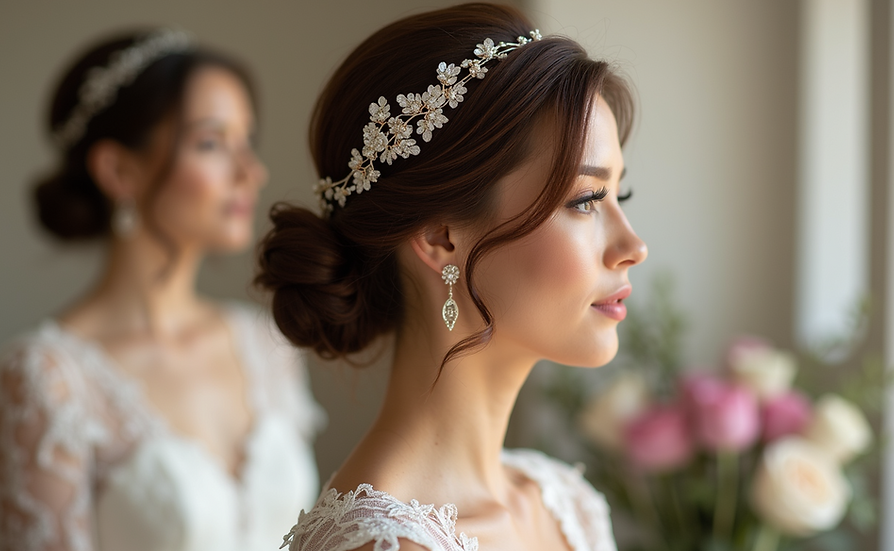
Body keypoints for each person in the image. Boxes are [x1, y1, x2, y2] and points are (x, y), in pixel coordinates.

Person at [256, 3, 648, 551]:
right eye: (585, 200)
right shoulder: (385, 546)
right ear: (441, 236)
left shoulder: (566, 505)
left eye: (619, 194)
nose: (634, 247)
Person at [0, 29, 323, 551]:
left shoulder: (265, 343)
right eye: (212, 143)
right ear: (119, 170)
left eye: (247, 142)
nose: (250, 172)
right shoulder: (49, 377)